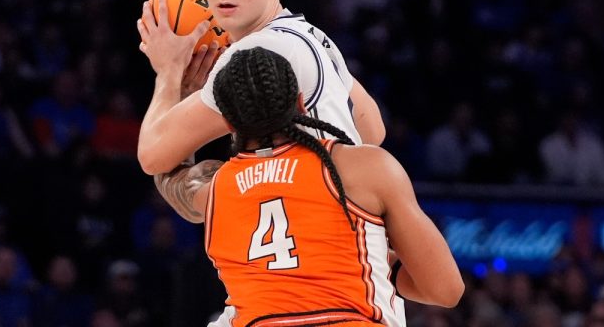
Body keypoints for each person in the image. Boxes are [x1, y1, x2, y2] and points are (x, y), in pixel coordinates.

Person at [157, 48, 463, 326]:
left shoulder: (213, 190)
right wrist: (377, 262)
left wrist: (175, 85)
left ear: (227, 123)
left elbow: (164, 166)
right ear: (301, 102)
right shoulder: (364, 167)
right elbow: (445, 290)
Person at [136, 0, 384, 176]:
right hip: (345, 212)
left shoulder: (253, 54)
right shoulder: (314, 35)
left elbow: (153, 157)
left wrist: (169, 71)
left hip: (315, 215)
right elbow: (372, 131)